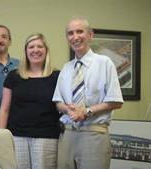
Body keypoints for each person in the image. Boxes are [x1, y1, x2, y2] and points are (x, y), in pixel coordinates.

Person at [52, 16, 124, 169]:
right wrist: (69, 109)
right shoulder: (66, 68)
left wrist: (87, 111)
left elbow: (116, 101)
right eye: (70, 33)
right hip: (67, 136)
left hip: (94, 134)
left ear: (90, 35)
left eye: (80, 31)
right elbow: (58, 102)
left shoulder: (104, 63)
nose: (75, 37)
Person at [0, 33, 60, 169]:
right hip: (16, 136)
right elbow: (4, 109)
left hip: (47, 137)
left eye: (40, 46)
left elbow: (62, 107)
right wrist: (0, 137)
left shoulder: (57, 76)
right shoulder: (13, 76)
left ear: (46, 50)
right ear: (26, 51)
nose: (35, 50)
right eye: (31, 47)